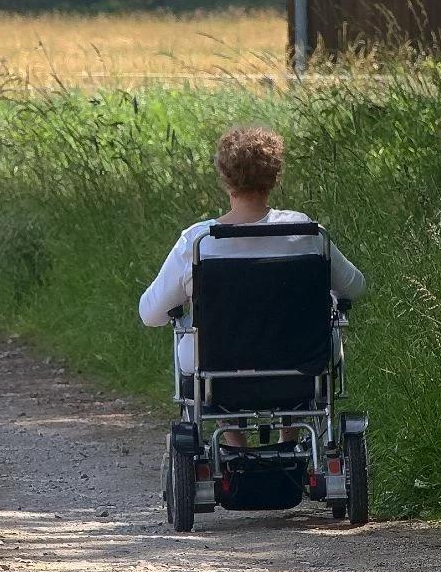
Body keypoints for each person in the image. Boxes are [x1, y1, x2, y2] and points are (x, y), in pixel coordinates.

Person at [138, 126, 366, 446]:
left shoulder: (199, 242)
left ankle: (233, 443)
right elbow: (355, 287)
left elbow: (151, 314)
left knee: (194, 340)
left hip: (218, 373)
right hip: (302, 369)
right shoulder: (309, 234)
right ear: (275, 176)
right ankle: (293, 435)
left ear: (224, 177)